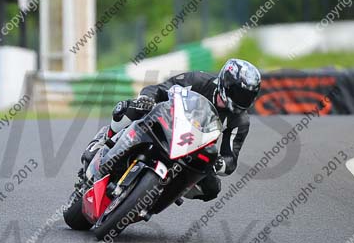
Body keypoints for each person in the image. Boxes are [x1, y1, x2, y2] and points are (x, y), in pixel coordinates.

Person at [81, 58, 261, 201]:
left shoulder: (241, 121)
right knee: (132, 107)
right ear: (227, 83)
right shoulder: (198, 80)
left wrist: (219, 164)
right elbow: (158, 89)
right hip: (167, 124)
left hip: (193, 149)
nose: (242, 100)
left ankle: (164, 194)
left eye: (248, 96)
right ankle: (104, 140)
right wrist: (147, 99)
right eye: (240, 93)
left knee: (212, 188)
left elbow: (230, 159)